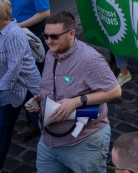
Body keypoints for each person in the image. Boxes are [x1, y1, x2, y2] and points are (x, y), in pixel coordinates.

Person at [26, 11, 122, 172]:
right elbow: (51, 83)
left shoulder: (89, 59)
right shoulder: (51, 53)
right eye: (45, 36)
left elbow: (114, 91)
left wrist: (77, 101)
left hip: (83, 143)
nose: (49, 41)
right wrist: (41, 98)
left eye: (54, 36)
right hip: (48, 139)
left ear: (71, 34)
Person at [0, 0, 40, 171]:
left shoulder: (14, 34)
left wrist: (0, 88)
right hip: (12, 89)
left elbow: (14, 67)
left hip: (25, 88)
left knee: (3, 128)